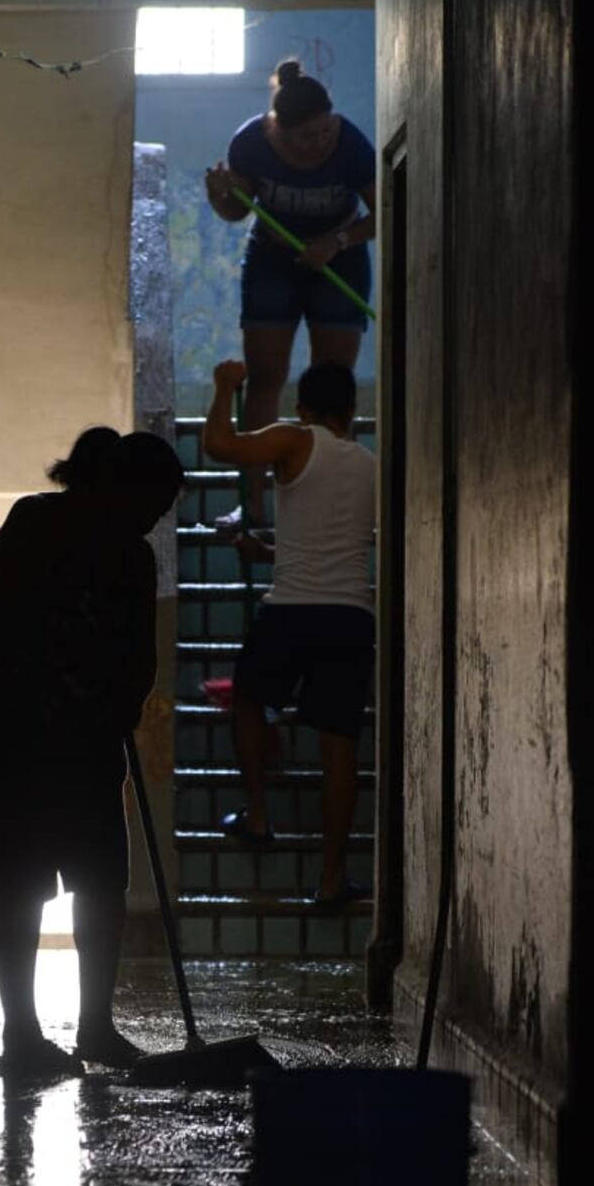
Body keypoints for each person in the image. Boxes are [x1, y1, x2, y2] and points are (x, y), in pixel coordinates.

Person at [0, 426, 184, 1080]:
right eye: (151, 503)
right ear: (117, 486)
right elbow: (9, 623)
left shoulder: (134, 556)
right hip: (9, 731)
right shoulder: (35, 523)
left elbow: (139, 655)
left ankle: (95, 1027)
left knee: (101, 878)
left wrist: (119, 704)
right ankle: (22, 1035)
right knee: (17, 881)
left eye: (163, 510)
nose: (154, 519)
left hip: (85, 735)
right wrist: (76, 692)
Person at [201, 358, 374, 910]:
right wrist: (270, 552)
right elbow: (336, 544)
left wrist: (225, 387)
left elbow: (219, 445)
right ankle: (331, 879)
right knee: (339, 746)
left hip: (293, 610)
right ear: (352, 410)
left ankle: (257, 815)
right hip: (350, 616)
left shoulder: (296, 439)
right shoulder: (370, 466)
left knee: (249, 700)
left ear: (303, 409)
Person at [204, 58, 376, 532]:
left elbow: (386, 210)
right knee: (265, 378)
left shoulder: (351, 144)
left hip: (340, 258)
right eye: (307, 136)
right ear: (279, 127)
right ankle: (254, 506)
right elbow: (235, 212)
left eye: (325, 131)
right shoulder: (251, 142)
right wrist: (219, 195)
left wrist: (336, 242)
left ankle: (331, 506)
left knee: (332, 385)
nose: (319, 142)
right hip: (273, 260)